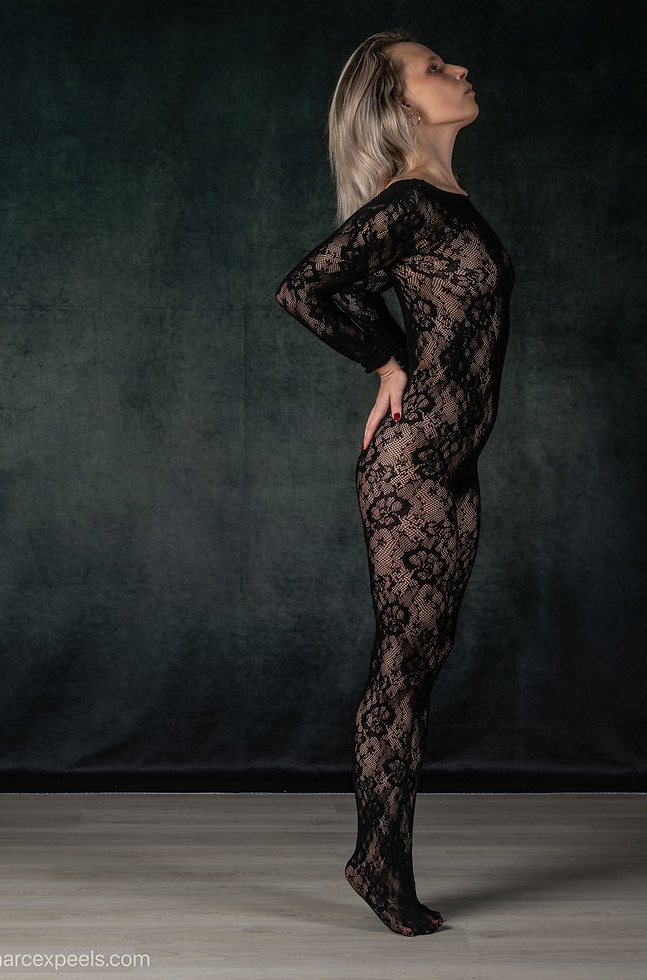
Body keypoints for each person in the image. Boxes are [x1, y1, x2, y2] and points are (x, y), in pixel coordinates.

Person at [274, 29, 514, 937]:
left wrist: (397, 357)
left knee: (420, 663)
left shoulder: (446, 203)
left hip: (453, 466)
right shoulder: (410, 202)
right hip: (412, 467)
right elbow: (305, 287)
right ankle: (378, 864)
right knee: (403, 667)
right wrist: (386, 363)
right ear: (400, 102)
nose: (460, 69)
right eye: (435, 68)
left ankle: (382, 859)